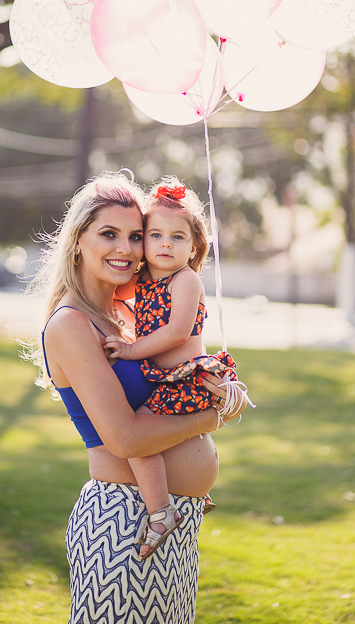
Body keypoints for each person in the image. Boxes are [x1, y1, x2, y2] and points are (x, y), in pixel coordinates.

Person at [25, 172, 246, 624]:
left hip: (172, 524)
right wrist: (211, 418)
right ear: (78, 241)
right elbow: (125, 439)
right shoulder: (71, 324)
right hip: (125, 523)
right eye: (109, 234)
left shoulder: (123, 319)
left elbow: (171, 376)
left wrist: (221, 390)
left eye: (135, 235)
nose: (126, 249)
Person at [104, 178, 250, 558]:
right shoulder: (143, 279)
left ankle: (160, 512)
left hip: (186, 377)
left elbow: (176, 332)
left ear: (194, 246)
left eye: (177, 237)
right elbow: (108, 292)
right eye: (155, 235)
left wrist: (130, 350)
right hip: (163, 381)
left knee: (136, 438)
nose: (165, 244)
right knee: (155, 435)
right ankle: (192, 493)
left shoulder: (186, 280)